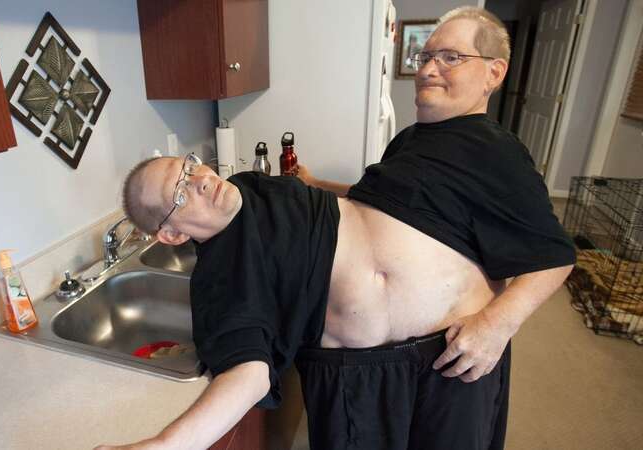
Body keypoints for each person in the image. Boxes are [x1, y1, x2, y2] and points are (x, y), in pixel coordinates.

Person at [96, 6, 575, 450]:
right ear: (172, 233)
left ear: (494, 71)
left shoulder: (492, 148)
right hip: (353, 372)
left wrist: (497, 323)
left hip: (450, 355)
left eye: (450, 57)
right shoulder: (407, 144)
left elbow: (553, 255)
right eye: (427, 55)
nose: (429, 68)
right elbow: (382, 204)